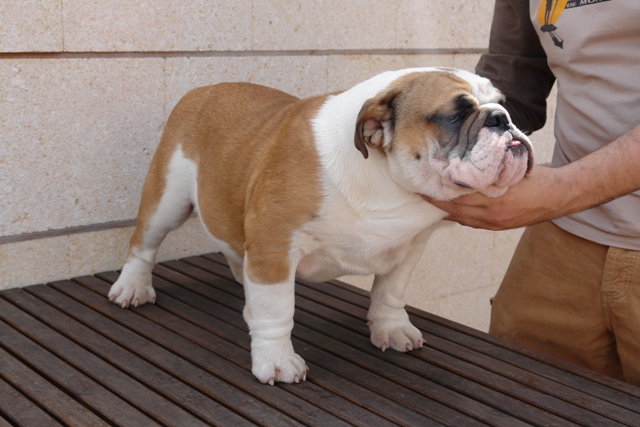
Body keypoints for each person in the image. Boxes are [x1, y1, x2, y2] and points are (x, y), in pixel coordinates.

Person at [425, 0, 640, 386]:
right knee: (514, 392)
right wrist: (443, 146)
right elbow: (514, 76)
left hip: (562, 202)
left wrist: (559, 191)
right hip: (564, 234)